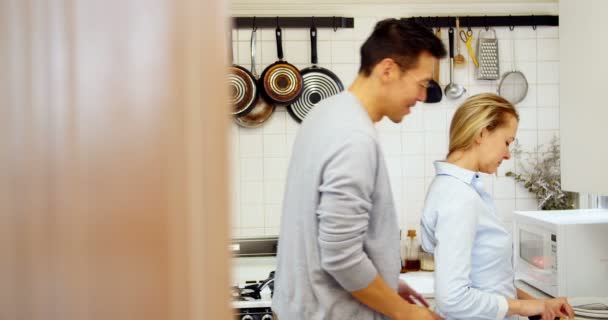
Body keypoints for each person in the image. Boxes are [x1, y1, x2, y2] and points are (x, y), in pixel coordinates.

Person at [271, 18, 446, 320]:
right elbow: (341, 257)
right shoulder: (354, 138)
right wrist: (405, 313)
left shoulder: (327, 111)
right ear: (388, 70)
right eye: (421, 84)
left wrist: (387, 282)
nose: (421, 97)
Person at [420, 93, 575, 320]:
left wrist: (540, 305)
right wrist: (525, 308)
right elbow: (453, 299)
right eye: (507, 142)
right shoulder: (458, 195)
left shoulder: (457, 187)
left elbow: (488, 281)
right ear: (482, 132)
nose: (507, 154)